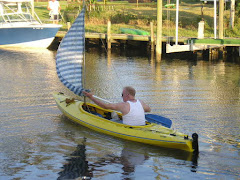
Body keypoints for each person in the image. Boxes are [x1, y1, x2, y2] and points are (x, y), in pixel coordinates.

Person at [83, 86, 151, 126]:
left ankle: (115, 117)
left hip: (130, 129)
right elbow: (149, 110)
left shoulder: (124, 105)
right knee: (116, 117)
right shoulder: (141, 102)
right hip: (142, 126)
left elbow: (105, 106)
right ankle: (115, 117)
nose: (121, 96)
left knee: (113, 120)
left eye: (122, 94)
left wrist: (91, 98)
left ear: (127, 95)